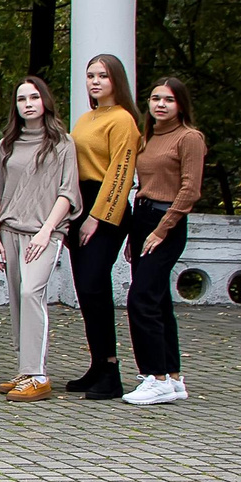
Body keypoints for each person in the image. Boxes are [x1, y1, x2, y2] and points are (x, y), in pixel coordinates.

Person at [0, 76, 82, 402]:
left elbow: (68, 192)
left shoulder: (63, 143)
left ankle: (39, 375)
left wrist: (47, 230)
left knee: (32, 293)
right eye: (21, 99)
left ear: (45, 101)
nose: (27, 104)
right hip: (9, 230)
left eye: (33, 97)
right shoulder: (7, 144)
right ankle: (24, 370)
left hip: (45, 232)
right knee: (16, 298)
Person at [123, 77, 205, 406]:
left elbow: (190, 190)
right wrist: (136, 235)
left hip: (166, 223)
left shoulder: (190, 138)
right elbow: (142, 187)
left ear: (181, 105)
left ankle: (154, 376)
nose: (160, 104)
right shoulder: (149, 137)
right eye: (155, 98)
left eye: (168, 100)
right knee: (157, 300)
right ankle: (172, 376)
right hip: (142, 219)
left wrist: (162, 229)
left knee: (140, 299)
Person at [66, 54, 143, 400]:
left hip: (105, 206)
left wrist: (97, 217)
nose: (95, 81)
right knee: (85, 289)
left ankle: (111, 370)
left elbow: (120, 173)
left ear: (117, 81)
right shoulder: (86, 119)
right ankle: (97, 364)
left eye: (103, 76)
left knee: (95, 285)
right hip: (79, 203)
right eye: (90, 75)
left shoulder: (123, 120)